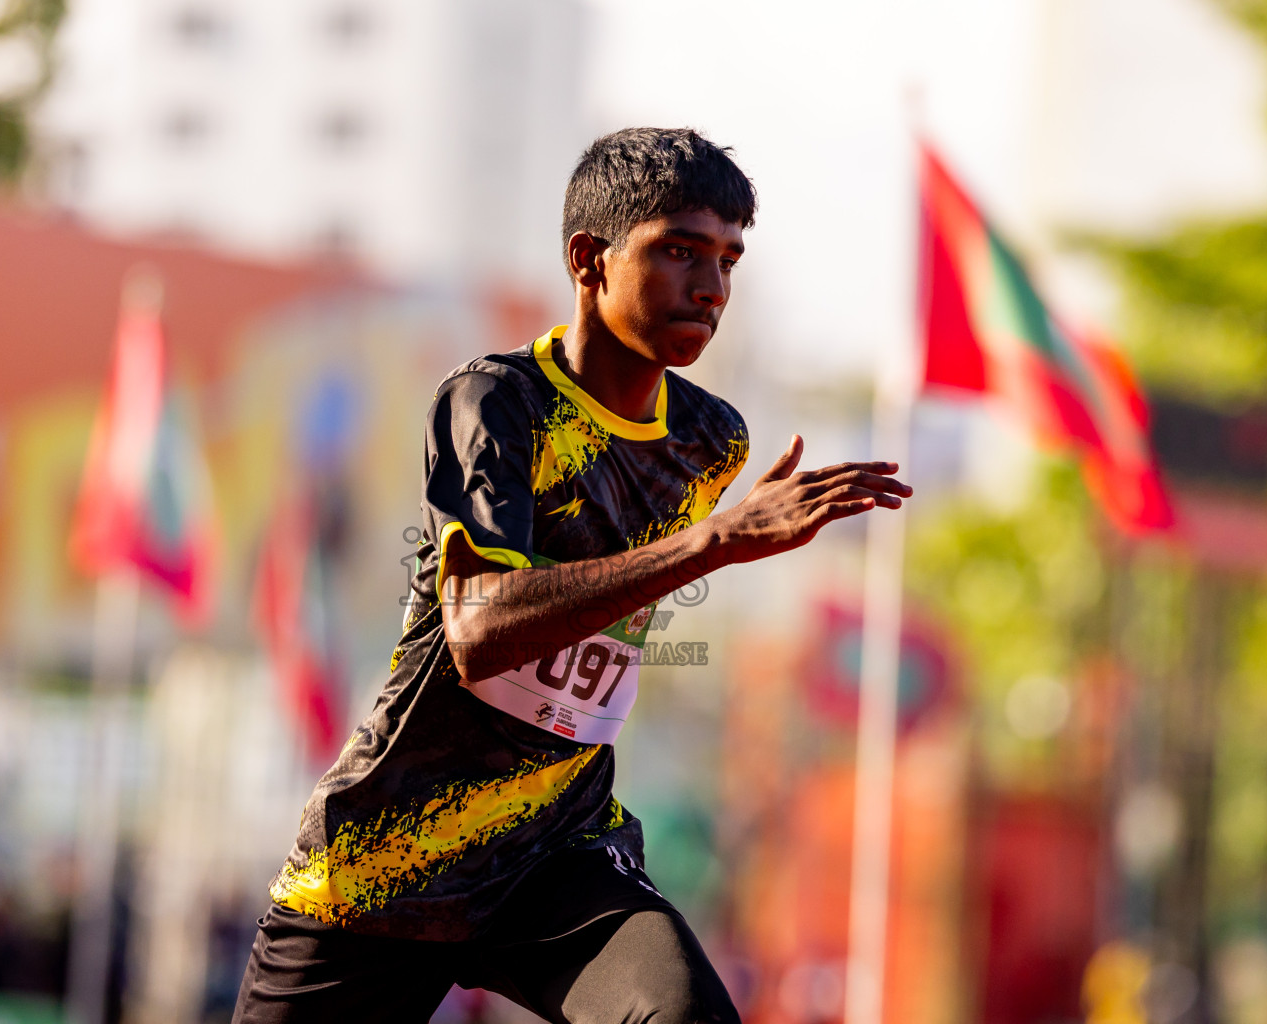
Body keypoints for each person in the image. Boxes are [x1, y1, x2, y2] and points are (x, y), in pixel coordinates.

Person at [232, 127, 911, 1024]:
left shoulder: (711, 441)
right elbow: (478, 634)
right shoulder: (493, 401)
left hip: (556, 850)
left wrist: (713, 538)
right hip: (386, 862)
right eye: (678, 252)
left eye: (728, 260)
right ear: (588, 260)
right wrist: (713, 543)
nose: (711, 288)